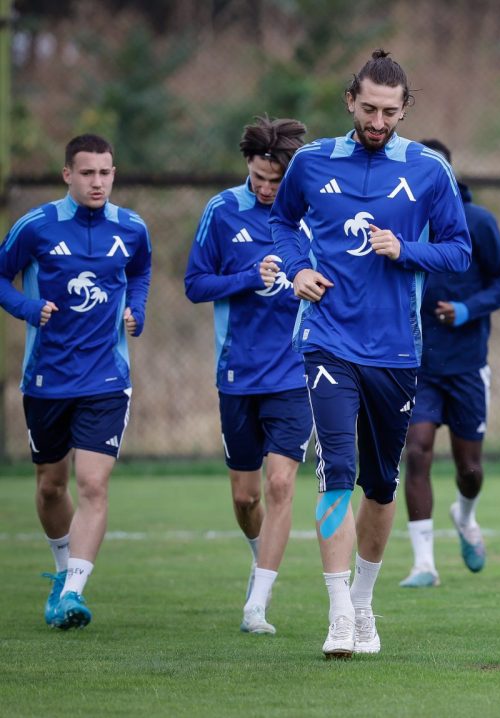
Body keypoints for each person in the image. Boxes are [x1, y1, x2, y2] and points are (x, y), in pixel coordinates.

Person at [269, 50, 472, 659]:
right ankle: (337, 614)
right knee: (337, 470)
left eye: (389, 112)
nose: (377, 121)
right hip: (327, 339)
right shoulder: (311, 162)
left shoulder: (429, 170)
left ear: (405, 110)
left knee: (382, 486)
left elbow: (459, 251)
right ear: (350, 102)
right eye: (368, 109)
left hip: (397, 351)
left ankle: (362, 602)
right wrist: (297, 271)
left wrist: (406, 249)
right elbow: (281, 224)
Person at [0, 134, 152, 630]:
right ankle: (63, 570)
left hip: (107, 378)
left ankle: (73, 593)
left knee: (92, 483)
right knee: (50, 487)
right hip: (47, 379)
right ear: (68, 174)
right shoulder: (36, 226)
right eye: (87, 173)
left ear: (114, 173)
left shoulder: (131, 227)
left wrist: (137, 309)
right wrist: (28, 307)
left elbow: (141, 271)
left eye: (105, 173)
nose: (97, 182)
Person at [184, 116, 311, 635]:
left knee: (280, 483)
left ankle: (257, 602)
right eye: (258, 178)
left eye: (275, 182)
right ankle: (262, 559)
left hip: (296, 373)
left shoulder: (310, 215)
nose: (265, 189)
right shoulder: (221, 211)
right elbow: (195, 284)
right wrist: (246, 278)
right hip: (238, 375)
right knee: (246, 497)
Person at [399, 138, 500, 588]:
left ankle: (465, 516)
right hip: (417, 364)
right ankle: (423, 564)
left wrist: (466, 309)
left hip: (467, 364)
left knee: (470, 470)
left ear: (449, 176)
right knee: (417, 450)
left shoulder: (477, 222)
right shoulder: (400, 224)